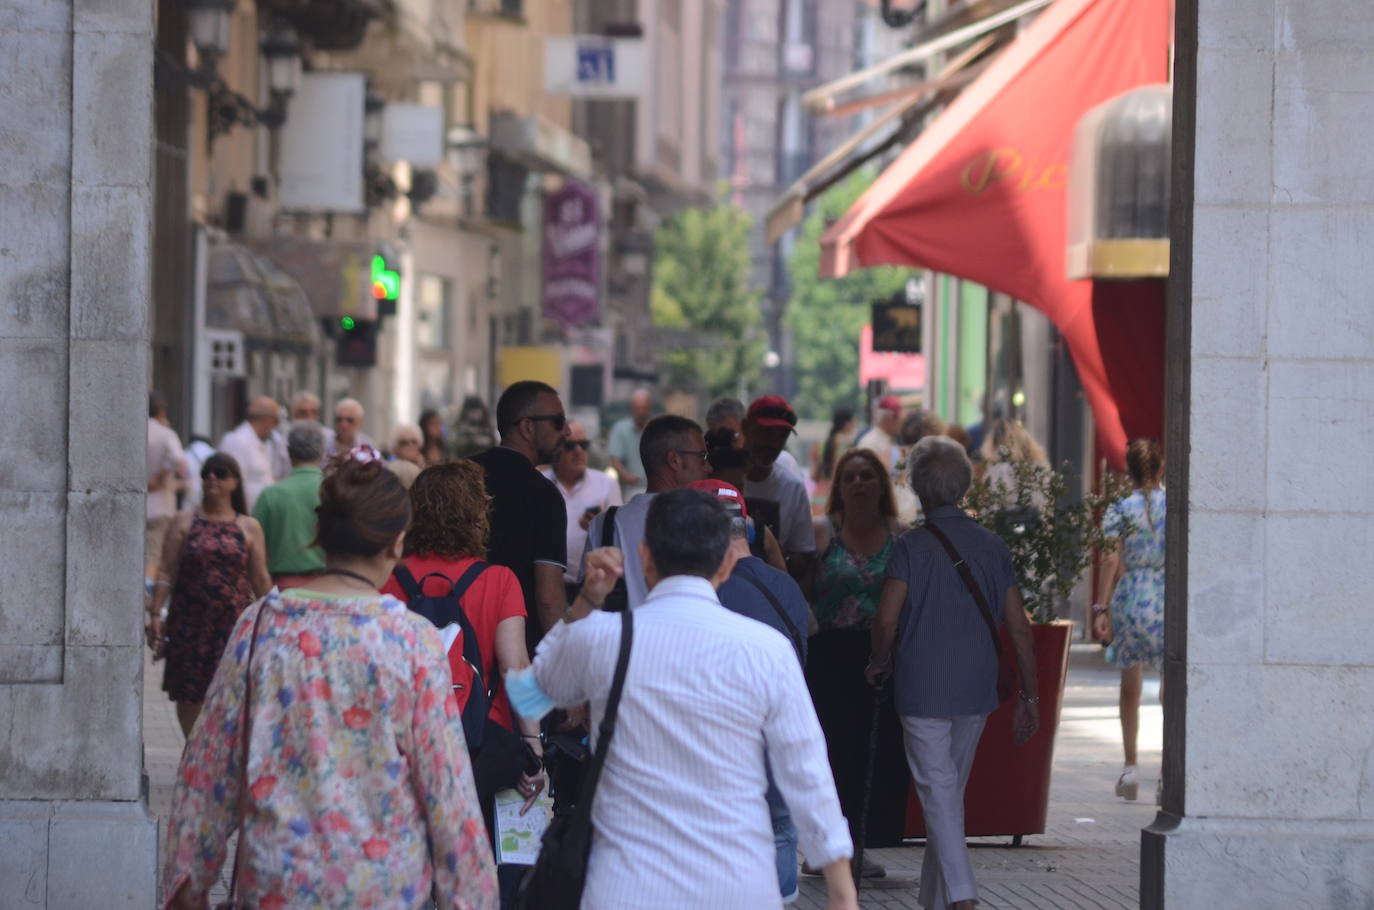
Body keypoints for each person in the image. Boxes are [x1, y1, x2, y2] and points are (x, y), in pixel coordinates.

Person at [159, 451, 498, 910]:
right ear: (397, 543)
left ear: (319, 534)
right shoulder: (411, 640)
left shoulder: (261, 626)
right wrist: (470, 896)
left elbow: (208, 769)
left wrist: (189, 883)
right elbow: (447, 790)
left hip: (277, 882)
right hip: (382, 889)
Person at [523, 489, 859, 910]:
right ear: (726, 562)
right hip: (738, 887)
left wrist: (589, 599)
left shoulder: (605, 637)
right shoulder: (766, 650)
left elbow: (536, 688)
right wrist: (842, 892)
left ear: (645, 557)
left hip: (626, 888)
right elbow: (807, 773)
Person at [867, 436, 1040, 910]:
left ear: (918, 488)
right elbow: (1020, 629)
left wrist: (878, 662)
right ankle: (935, 900)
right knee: (947, 793)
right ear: (964, 486)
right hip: (976, 687)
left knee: (940, 795)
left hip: (920, 687)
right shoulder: (992, 546)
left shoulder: (910, 548)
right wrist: (1030, 694)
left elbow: (886, 619)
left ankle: (962, 898)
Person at [380, 461, 546, 904]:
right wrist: (534, 743)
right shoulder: (499, 579)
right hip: (479, 746)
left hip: (404, 743)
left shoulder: (390, 579)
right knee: (473, 866)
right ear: (477, 513)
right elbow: (516, 667)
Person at [698, 479, 812, 904]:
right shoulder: (787, 589)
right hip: (782, 744)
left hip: (724, 754)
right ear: (745, 526)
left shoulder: (703, 593)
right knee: (780, 829)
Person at [806, 448, 908, 871]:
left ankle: (858, 848)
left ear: (882, 485)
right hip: (830, 658)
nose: (859, 484)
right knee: (832, 754)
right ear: (839, 487)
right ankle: (825, 850)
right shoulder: (821, 532)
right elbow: (802, 589)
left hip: (881, 658)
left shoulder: (901, 536)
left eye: (867, 476)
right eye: (850, 477)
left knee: (875, 755)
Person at [147, 452, 271, 737]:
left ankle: (217, 751)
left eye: (220, 472)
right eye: (206, 473)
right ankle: (192, 747)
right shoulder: (183, 521)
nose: (212, 478)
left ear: (235, 482)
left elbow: (260, 578)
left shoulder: (248, 526)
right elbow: (166, 571)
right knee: (189, 693)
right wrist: (155, 613)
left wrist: (273, 619)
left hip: (232, 624)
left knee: (231, 688)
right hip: (189, 621)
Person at [469, 381, 569, 654]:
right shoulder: (543, 495)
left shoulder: (460, 476)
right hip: (517, 652)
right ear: (527, 427)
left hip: (454, 640)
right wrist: (560, 662)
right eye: (559, 422)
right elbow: (548, 598)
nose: (568, 431)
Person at [1092, 438, 1165, 803]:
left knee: (1130, 684)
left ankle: (1131, 766)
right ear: (1161, 467)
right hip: (1168, 597)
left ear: (1130, 471)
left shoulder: (1119, 510)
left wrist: (1101, 609)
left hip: (1132, 596)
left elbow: (1109, 561)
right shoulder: (1176, 507)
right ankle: (1170, 771)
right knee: (1173, 685)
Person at [581, 414, 712, 609]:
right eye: (702, 457)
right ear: (675, 460)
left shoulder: (604, 524)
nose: (708, 467)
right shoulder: (706, 522)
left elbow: (587, 598)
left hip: (621, 637)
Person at [542, 420, 622, 602]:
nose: (579, 451)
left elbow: (617, 540)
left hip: (591, 590)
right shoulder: (540, 482)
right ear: (557, 449)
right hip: (545, 587)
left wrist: (597, 526)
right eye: (571, 446)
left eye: (583, 445)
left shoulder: (606, 484)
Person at [740, 395, 815, 580]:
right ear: (745, 427)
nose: (773, 444)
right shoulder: (721, 476)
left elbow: (803, 556)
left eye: (781, 436)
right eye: (766, 432)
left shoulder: (792, 487)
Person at [251, 420, 326, 589]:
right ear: (322, 452)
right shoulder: (334, 490)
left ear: (289, 452)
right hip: (327, 586)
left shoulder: (270, 494)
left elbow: (254, 549)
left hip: (280, 588)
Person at [704, 427, 787, 572]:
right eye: (722, 488)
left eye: (738, 488)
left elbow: (781, 581)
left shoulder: (760, 532)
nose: (730, 496)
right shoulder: (686, 529)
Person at [706, 396, 806, 484]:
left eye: (732, 435)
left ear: (746, 428)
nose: (725, 443)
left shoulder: (784, 465)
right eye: (715, 439)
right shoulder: (707, 469)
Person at [147, 391, 188, 583]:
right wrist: (161, 474)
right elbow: (180, 462)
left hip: (134, 505)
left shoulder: (130, 428)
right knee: (153, 555)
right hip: (160, 505)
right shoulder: (165, 434)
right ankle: (145, 598)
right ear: (161, 411)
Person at [219, 396, 281, 511]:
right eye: (276, 421)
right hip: (244, 514)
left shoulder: (264, 443)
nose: (275, 427)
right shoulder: (238, 441)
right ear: (266, 420)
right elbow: (233, 484)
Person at [977, 417, 1050, 511]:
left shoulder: (998, 471)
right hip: (1035, 523)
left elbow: (993, 509)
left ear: (993, 444)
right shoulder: (1038, 469)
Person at [607, 387, 653, 499]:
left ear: (649, 409)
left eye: (644, 408)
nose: (641, 412)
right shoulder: (620, 429)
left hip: (654, 488)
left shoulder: (657, 429)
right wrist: (625, 476)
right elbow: (615, 458)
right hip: (631, 488)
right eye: (638, 408)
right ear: (632, 409)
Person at [811, 407, 856, 498]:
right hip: (837, 497)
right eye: (854, 423)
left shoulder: (819, 444)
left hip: (819, 496)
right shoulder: (848, 443)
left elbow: (814, 476)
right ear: (847, 424)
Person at [854, 395, 903, 473]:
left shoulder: (890, 439)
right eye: (898, 418)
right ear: (889, 418)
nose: (901, 423)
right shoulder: (869, 443)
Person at [449, 395, 496, 460]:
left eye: (477, 410)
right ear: (466, 411)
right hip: (465, 462)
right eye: (472, 410)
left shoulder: (487, 427)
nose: (475, 414)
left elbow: (492, 444)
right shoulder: (460, 425)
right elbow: (454, 443)